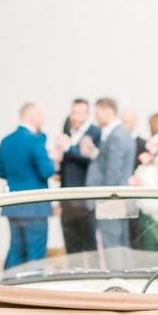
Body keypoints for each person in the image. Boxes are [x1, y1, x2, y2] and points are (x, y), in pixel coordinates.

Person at [0, 102, 55, 269]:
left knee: (16, 249)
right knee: (35, 254)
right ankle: (33, 290)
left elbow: (1, 172)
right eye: (40, 116)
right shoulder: (35, 141)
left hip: (13, 205)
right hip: (34, 206)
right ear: (31, 117)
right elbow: (47, 171)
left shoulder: (6, 141)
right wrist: (53, 158)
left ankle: (8, 289)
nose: (43, 120)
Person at [82, 97, 136, 249]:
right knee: (120, 242)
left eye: (97, 113)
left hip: (111, 199)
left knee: (113, 245)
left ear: (108, 111)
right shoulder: (121, 134)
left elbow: (113, 173)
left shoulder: (116, 136)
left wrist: (104, 199)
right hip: (118, 198)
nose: (95, 117)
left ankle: (116, 273)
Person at [55, 97, 100, 253]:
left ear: (87, 114)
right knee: (70, 241)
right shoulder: (67, 131)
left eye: (79, 113)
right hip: (66, 197)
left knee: (89, 241)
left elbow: (91, 159)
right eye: (73, 112)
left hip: (84, 197)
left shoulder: (95, 132)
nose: (75, 117)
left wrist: (68, 147)